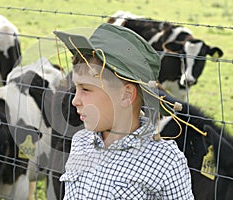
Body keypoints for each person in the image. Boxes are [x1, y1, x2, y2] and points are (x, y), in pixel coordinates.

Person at [53, 23, 194, 199]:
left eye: (86, 89)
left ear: (126, 95)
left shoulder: (165, 162)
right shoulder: (80, 142)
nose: (75, 100)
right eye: (76, 88)